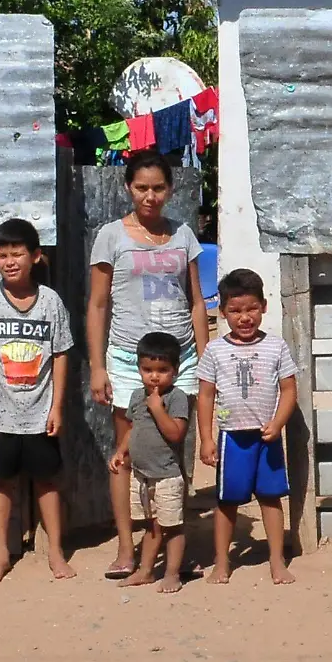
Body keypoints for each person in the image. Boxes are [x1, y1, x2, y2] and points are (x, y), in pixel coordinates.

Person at [88, 149, 211, 579]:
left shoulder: (184, 236)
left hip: (181, 359)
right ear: (128, 188)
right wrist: (98, 366)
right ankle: (128, 547)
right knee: (128, 453)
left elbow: (197, 302)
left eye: (158, 187)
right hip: (127, 359)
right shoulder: (111, 236)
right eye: (141, 187)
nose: (150, 196)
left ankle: (176, 542)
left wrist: (205, 355)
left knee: (174, 452)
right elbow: (98, 304)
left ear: (170, 189)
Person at [0, 218, 76, 582]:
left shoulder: (50, 302)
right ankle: (2, 554)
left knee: (47, 481)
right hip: (1, 414)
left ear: (36, 256)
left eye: (17, 254)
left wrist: (57, 406)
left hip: (42, 413)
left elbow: (61, 354)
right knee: (2, 482)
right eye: (1, 255)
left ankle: (55, 553)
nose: (9, 262)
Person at [198, 267, 297, 585]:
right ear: (223, 312)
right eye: (235, 310)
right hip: (232, 438)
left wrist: (279, 422)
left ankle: (276, 560)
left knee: (270, 497)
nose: (244, 317)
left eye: (251, 308)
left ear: (264, 306)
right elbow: (205, 396)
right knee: (227, 500)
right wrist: (206, 439)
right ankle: (222, 562)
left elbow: (289, 389)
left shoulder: (277, 346)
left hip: (266, 438)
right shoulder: (215, 350)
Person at [110, 331, 193, 593]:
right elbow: (134, 428)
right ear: (139, 368)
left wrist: (158, 408)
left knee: (172, 526)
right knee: (150, 525)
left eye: (162, 370)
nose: (154, 376)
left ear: (175, 370)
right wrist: (121, 451)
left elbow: (176, 433)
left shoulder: (176, 398)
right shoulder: (136, 396)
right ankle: (146, 571)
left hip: (166, 475)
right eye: (147, 369)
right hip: (141, 475)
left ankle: (172, 573)